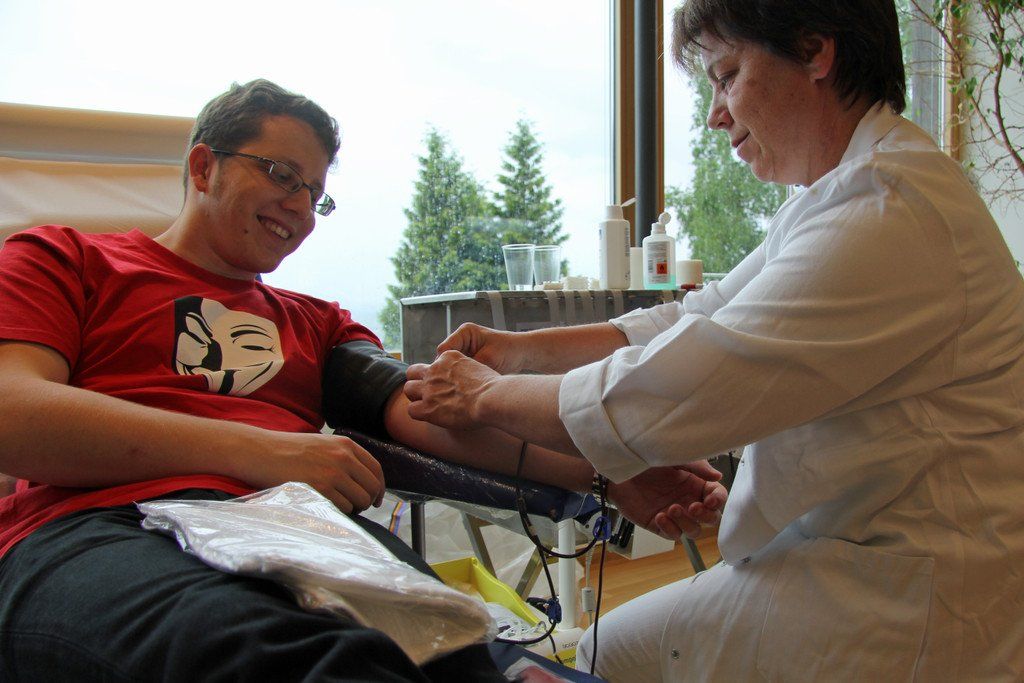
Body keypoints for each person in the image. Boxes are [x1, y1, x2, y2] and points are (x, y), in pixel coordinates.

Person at [0, 79, 724, 681]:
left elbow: (423, 412)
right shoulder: (65, 261)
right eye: (280, 174)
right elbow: (13, 413)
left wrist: (608, 471)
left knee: (462, 656)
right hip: (100, 528)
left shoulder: (315, 322)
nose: (300, 207)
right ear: (201, 166)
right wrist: (262, 452)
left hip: (296, 529)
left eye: (316, 193)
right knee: (283, 656)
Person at [403, 1, 1024, 680]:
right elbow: (695, 318)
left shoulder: (888, 211)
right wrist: (517, 351)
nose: (714, 115)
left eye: (727, 76)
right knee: (608, 647)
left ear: (815, 50)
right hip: (851, 551)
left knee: (608, 652)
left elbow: (671, 392)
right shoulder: (842, 194)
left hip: (911, 597)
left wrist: (485, 394)